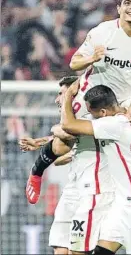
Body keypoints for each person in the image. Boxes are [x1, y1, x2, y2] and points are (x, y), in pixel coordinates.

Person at [26, 0, 131, 205]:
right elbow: (74, 62)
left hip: (120, 103)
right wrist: (92, 58)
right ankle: (37, 172)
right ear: (119, 8)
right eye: (127, 3)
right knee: (64, 141)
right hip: (90, 95)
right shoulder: (102, 32)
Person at [61, 83, 131, 254]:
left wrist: (68, 96)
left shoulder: (113, 125)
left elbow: (68, 125)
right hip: (123, 203)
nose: (91, 118)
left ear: (103, 113)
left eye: (92, 114)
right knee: (102, 251)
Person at [19, 76, 79, 255]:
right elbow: (63, 141)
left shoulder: (90, 116)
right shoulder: (73, 122)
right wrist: (39, 141)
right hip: (73, 187)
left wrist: (51, 135)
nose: (57, 99)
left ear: (73, 94)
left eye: (61, 94)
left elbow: (64, 133)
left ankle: (37, 170)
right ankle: (37, 171)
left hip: (95, 190)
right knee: (60, 246)